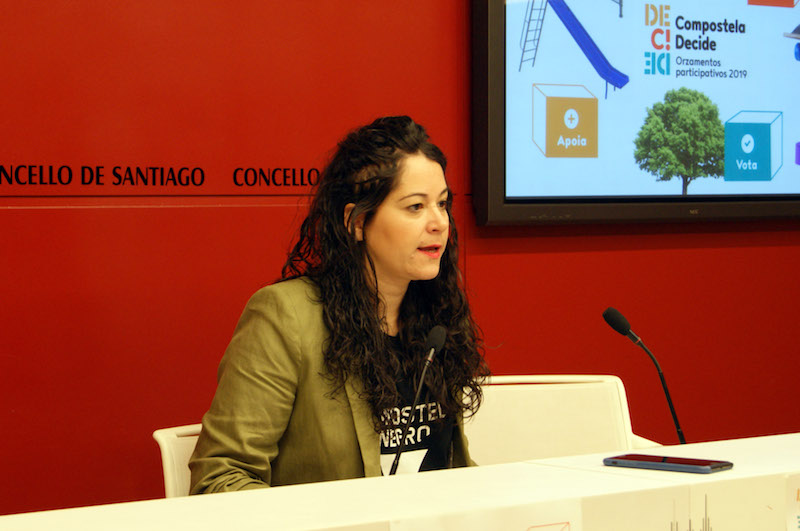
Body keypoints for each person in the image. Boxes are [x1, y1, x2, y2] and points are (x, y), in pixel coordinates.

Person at [189, 116, 489, 493]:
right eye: (415, 207)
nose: (439, 223)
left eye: (442, 204)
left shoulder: (435, 323)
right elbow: (220, 478)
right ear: (357, 221)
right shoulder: (286, 317)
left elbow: (449, 470)